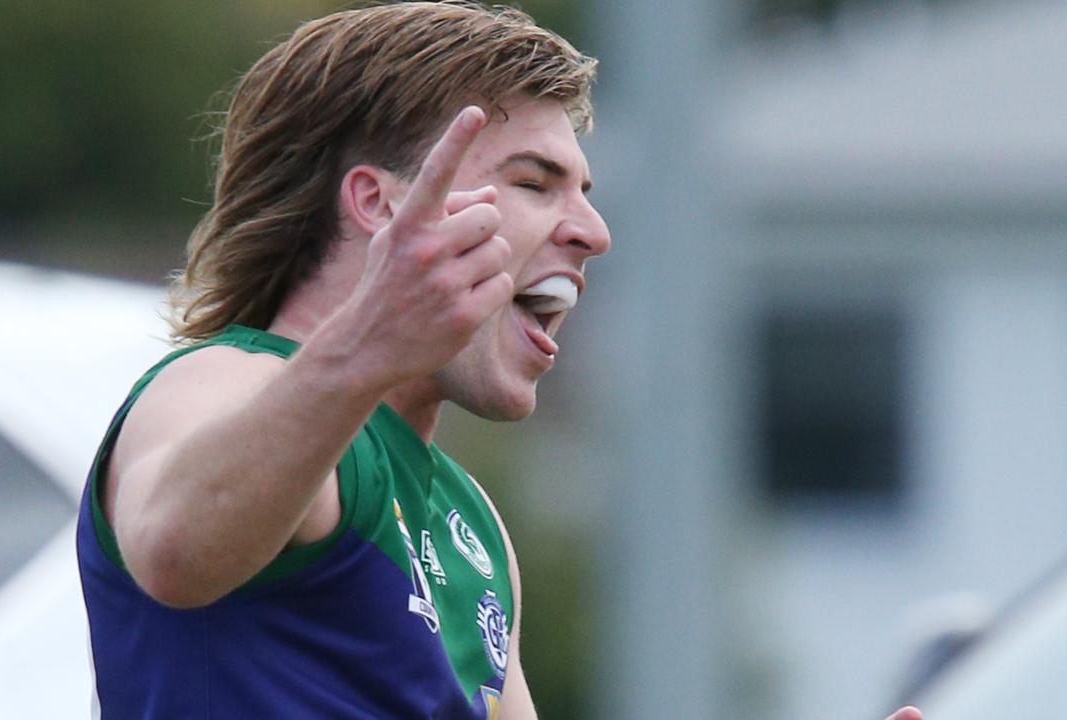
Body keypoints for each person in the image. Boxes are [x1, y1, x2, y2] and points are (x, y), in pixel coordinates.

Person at [75, 3, 925, 719]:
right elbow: (173, 552)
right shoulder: (227, 379)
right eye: (532, 182)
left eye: (581, 193)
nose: (592, 232)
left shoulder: (467, 518)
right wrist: (368, 341)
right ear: (377, 205)